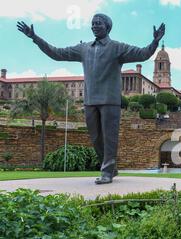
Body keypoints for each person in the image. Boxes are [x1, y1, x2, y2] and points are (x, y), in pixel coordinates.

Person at [17, 15, 165, 184]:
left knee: (110, 137)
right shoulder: (84, 48)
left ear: (107, 27)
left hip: (110, 100)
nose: (94, 26)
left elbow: (142, 53)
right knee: (96, 138)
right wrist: (35, 38)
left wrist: (154, 43)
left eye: (98, 23)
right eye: (93, 24)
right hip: (90, 100)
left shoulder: (117, 47)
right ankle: (110, 166)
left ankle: (107, 171)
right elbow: (57, 53)